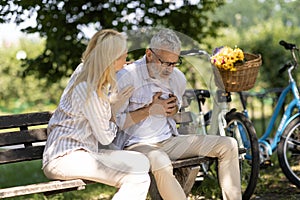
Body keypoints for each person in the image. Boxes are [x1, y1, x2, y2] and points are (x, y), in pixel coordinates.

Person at [114, 29, 242, 200]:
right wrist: (148, 110)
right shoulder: (127, 76)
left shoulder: (177, 78)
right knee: (161, 160)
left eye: (174, 63)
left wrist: (173, 111)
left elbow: (175, 113)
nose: (169, 69)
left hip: (169, 141)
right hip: (135, 146)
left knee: (228, 144)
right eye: (164, 62)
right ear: (149, 54)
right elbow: (117, 122)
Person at [42, 29, 151, 200]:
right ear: (110, 59)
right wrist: (113, 106)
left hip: (83, 153)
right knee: (139, 177)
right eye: (123, 57)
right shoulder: (88, 89)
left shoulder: (86, 72)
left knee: (142, 161)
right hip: (64, 158)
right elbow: (106, 137)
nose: (125, 61)